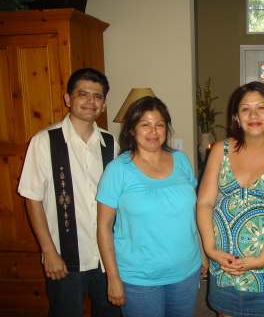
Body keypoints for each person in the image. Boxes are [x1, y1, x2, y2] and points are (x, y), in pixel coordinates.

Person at [17, 68, 121, 317]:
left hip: (107, 256)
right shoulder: (44, 141)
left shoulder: (111, 143)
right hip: (64, 257)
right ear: (68, 99)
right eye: (83, 94)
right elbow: (33, 199)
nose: (90, 101)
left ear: (104, 104)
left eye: (97, 96)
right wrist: (49, 252)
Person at [197, 81, 264, 317]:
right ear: (237, 116)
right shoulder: (220, 150)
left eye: (261, 107)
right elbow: (204, 202)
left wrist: (261, 259)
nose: (253, 115)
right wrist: (210, 249)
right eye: (245, 108)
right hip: (224, 263)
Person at [96, 96, 207, 317]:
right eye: (145, 125)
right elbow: (104, 227)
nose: (153, 131)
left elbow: (193, 214)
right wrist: (113, 277)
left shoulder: (182, 160)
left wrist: (203, 253)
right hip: (139, 276)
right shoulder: (118, 169)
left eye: (159, 125)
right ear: (132, 130)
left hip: (186, 269)